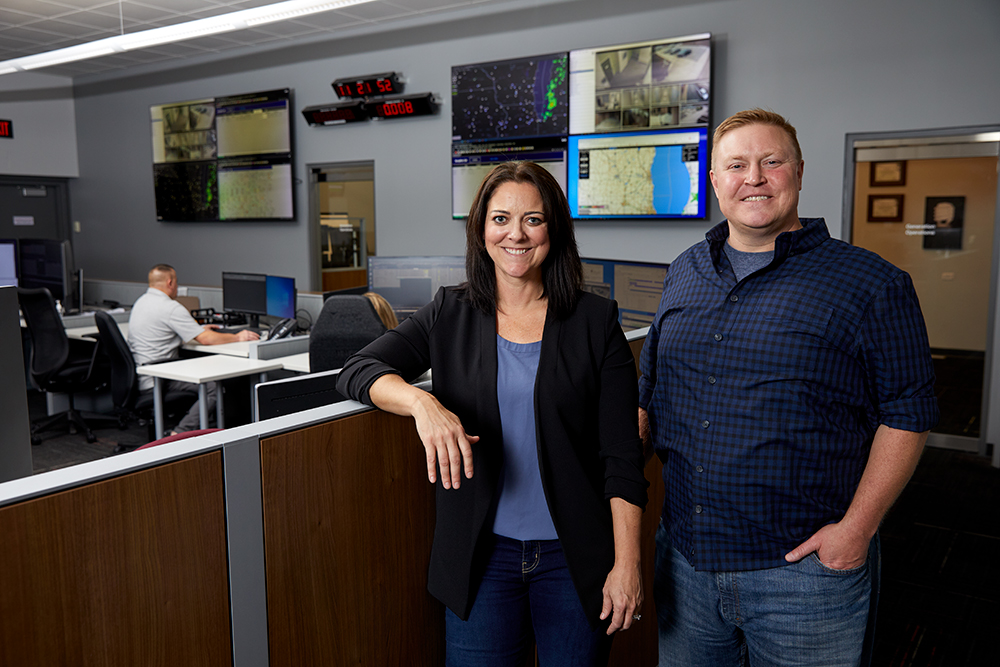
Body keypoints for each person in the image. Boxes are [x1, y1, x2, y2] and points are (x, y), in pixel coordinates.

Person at [638, 109, 939, 666]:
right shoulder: (684, 270)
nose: (753, 177)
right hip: (685, 565)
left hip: (803, 576)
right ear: (715, 182)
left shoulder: (872, 284)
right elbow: (651, 390)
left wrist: (857, 531)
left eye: (770, 162)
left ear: (798, 173)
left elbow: (910, 413)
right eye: (736, 165)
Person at [338, 162, 648, 666]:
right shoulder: (450, 311)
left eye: (534, 219)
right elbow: (359, 368)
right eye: (501, 218)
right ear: (482, 229)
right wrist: (424, 403)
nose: (516, 235)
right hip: (481, 561)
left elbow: (621, 458)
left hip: (574, 562)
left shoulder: (595, 321)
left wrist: (627, 564)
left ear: (555, 230)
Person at [128, 264, 258, 433]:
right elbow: (207, 340)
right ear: (170, 283)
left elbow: (173, 330)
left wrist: (197, 330)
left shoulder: (142, 302)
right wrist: (238, 337)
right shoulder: (170, 307)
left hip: (144, 372)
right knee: (211, 388)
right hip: (158, 377)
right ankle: (179, 433)